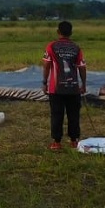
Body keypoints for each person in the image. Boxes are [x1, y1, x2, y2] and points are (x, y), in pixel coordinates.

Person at [41, 20, 87, 150]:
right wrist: (83, 84)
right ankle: (74, 140)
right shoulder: (76, 48)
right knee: (74, 114)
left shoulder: (51, 46)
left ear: (58, 32)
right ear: (71, 33)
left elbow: (46, 65)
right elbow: (82, 67)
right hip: (73, 87)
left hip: (56, 88)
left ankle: (56, 142)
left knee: (57, 114)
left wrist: (44, 82)